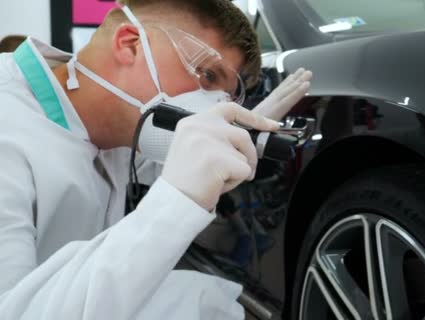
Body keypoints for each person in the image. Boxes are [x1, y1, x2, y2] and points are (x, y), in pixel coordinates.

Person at [0, 0, 311, 319]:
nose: (211, 104)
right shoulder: (9, 126)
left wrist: (232, 138)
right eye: (206, 75)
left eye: (225, 97)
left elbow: (157, 164)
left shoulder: (109, 124)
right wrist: (176, 200)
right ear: (130, 45)